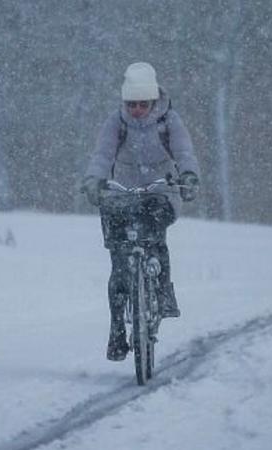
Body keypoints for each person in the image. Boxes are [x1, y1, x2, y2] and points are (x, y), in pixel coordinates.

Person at [81, 62, 201, 361]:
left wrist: (187, 176)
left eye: (142, 104)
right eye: (131, 104)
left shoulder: (169, 122)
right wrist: (94, 181)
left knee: (155, 240)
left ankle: (162, 294)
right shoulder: (116, 123)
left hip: (159, 193)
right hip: (121, 194)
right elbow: (102, 154)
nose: (136, 110)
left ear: (153, 101)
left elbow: (184, 153)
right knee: (119, 265)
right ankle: (117, 328)